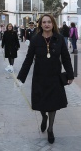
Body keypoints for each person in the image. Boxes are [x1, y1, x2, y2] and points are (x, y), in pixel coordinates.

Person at [17, 14, 74, 144]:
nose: (47, 24)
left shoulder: (59, 39)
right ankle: (44, 117)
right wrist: (21, 77)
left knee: (53, 104)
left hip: (54, 77)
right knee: (42, 103)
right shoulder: (35, 39)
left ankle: (50, 128)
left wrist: (70, 75)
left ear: (53, 24)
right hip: (39, 77)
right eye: (44, 22)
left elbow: (65, 57)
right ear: (41, 25)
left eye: (49, 22)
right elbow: (28, 59)